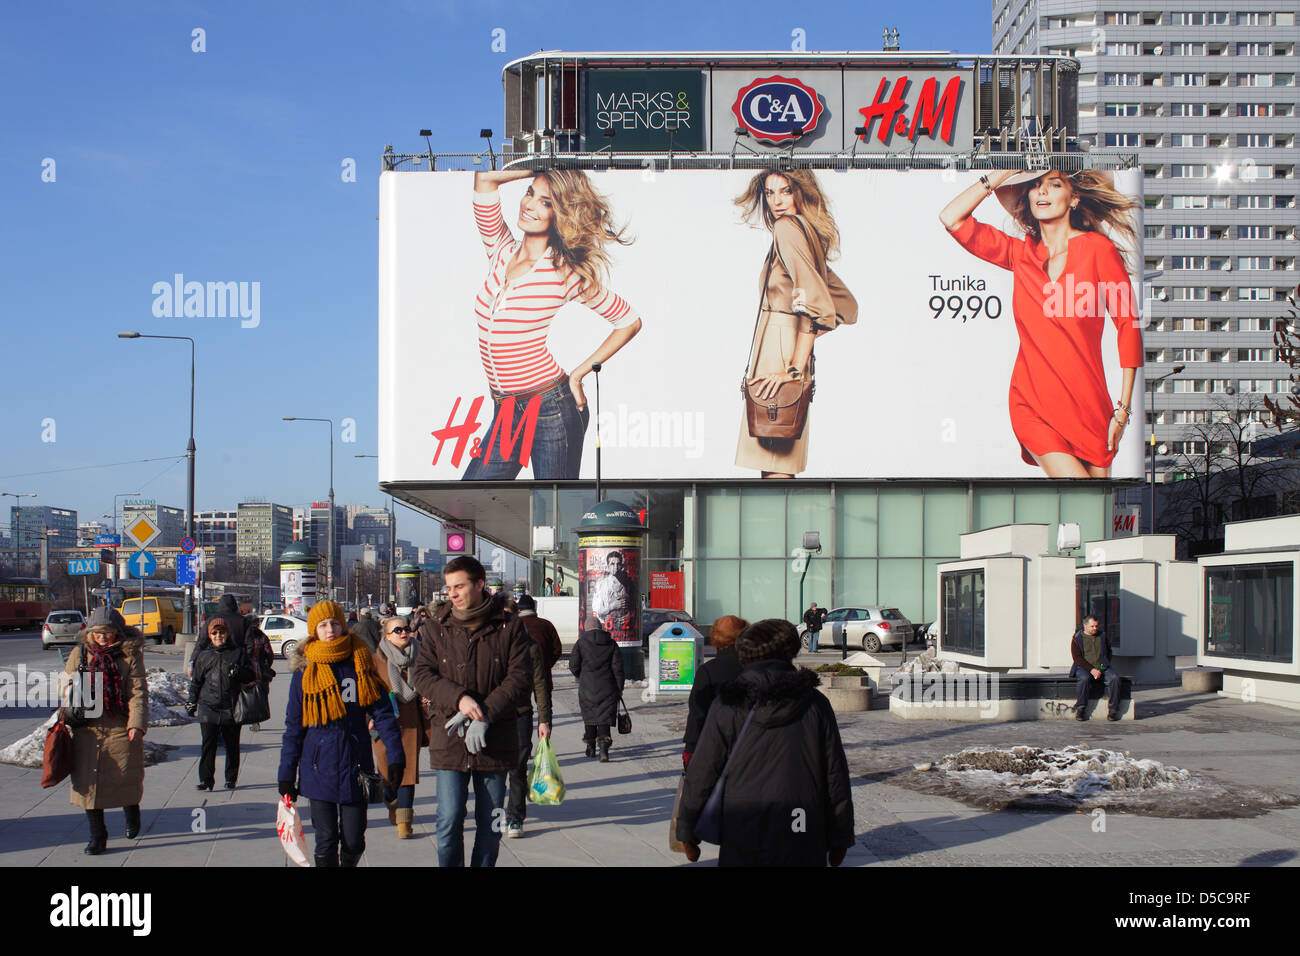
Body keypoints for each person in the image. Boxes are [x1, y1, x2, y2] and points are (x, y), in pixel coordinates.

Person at [939, 168, 1141, 478]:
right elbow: (952, 217)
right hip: (1032, 403)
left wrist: (1123, 410)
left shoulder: (1099, 251)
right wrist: (1001, 176)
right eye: (1034, 186)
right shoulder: (1021, 254)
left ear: (1073, 198)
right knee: (1081, 498)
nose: (1042, 192)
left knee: (1095, 517)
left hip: (1090, 405)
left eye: (1053, 184)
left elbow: (1128, 324)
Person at [464, 167, 643, 480]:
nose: (530, 204)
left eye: (546, 202)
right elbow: (485, 180)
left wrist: (579, 373)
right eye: (530, 193)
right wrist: (543, 164)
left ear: (560, 214)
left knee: (554, 514)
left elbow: (628, 321)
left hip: (550, 408)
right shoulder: (500, 250)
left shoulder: (564, 270)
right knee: (464, 506)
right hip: (506, 410)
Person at [676, 619, 854, 867]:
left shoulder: (728, 704)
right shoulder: (815, 704)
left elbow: (704, 768)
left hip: (743, 818)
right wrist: (840, 836)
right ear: (791, 651)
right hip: (800, 818)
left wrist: (687, 828)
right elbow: (834, 773)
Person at [734, 169, 858, 478]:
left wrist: (791, 368)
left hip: (780, 346)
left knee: (775, 459)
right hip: (788, 344)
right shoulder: (805, 231)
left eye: (785, 191)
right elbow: (845, 306)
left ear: (800, 192)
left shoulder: (788, 229)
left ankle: (777, 525)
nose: (776, 201)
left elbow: (819, 305)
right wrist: (802, 348)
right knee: (775, 453)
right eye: (769, 192)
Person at [412, 556, 533, 867]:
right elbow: (422, 675)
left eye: (459, 586)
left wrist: (485, 713)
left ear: (480, 585)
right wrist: (460, 700)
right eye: (449, 587)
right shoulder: (435, 627)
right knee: (449, 818)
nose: (452, 593)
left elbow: (520, 678)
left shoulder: (509, 626)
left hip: (496, 740)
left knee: (491, 824)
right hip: (449, 739)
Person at [277, 601, 404, 867]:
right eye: (323, 625)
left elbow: (383, 714)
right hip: (318, 766)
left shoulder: (359, 663)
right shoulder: (304, 671)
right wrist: (287, 775)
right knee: (325, 838)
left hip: (355, 765)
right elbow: (293, 728)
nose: (330, 629)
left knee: (354, 839)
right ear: (314, 630)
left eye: (335, 623)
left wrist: (395, 757)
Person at [61, 606, 148, 856]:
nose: (102, 638)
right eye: (97, 633)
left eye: (107, 633)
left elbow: (138, 692)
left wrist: (137, 724)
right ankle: (97, 836)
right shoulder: (80, 653)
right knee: (89, 784)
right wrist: (69, 691)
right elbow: (65, 682)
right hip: (87, 727)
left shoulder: (130, 655)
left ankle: (132, 809)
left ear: (118, 633)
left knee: (125, 776)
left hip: (119, 724)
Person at [505, 594, 560, 838]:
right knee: (493, 772)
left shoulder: (530, 646)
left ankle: (515, 818)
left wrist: (544, 719)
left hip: (520, 714)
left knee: (517, 768)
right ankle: (494, 813)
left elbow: (540, 684)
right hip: (491, 716)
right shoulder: (489, 645)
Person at [372, 615, 428, 839]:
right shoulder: (376, 660)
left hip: (411, 720)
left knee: (407, 772)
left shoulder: (421, 654)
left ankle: (405, 823)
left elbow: (430, 680)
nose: (404, 633)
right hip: (384, 723)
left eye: (406, 628)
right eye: (397, 630)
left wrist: (428, 696)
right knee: (387, 773)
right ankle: (391, 801)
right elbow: (367, 691)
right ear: (386, 636)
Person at [186, 618, 254, 790]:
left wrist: (239, 672)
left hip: (231, 706)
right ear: (209, 635)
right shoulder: (204, 656)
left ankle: (230, 778)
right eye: (214, 633)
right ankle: (206, 780)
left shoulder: (237, 653)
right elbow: (196, 681)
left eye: (221, 632)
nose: (218, 636)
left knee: (232, 745)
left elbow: (250, 675)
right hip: (208, 706)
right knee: (208, 744)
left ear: (227, 634)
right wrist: (191, 701)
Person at [682, 614, 747, 767]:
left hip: (716, 745)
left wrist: (690, 748)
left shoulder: (708, 671)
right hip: (751, 746)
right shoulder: (754, 667)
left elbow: (698, 713)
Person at [568, 627, 625, 762]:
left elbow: (573, 665)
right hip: (607, 687)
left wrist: (582, 676)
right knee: (604, 717)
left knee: (590, 716)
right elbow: (618, 668)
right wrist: (619, 688)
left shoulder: (580, 643)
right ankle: (604, 750)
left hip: (587, 686)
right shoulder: (611, 643)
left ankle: (591, 747)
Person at [1070, 615, 1122, 721]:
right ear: (1085, 625)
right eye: (1092, 626)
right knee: (1084, 679)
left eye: (1096, 626)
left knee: (1114, 678)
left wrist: (1101, 669)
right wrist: (1092, 670)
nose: (1095, 628)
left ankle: (1113, 710)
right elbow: (1077, 658)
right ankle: (1081, 709)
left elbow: (1108, 654)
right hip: (1084, 667)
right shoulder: (1077, 638)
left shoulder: (1102, 636)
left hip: (1102, 667)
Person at [591, 550, 633, 636]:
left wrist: (628, 615)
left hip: (625, 629)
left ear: (621, 566)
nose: (615, 567)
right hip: (609, 628)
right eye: (612, 564)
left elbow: (634, 607)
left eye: (618, 564)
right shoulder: (603, 585)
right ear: (608, 566)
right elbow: (599, 611)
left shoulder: (628, 584)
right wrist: (612, 606)